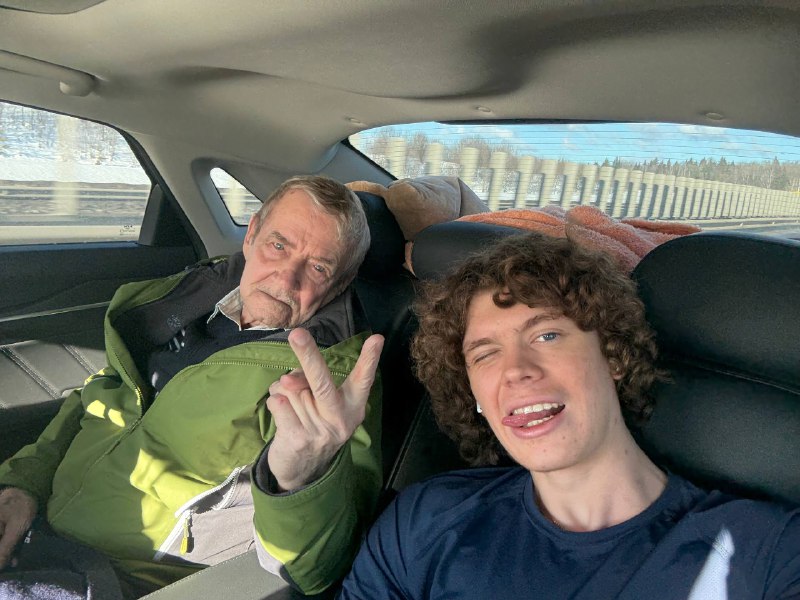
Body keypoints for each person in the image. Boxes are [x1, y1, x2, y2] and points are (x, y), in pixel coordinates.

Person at [338, 232, 800, 599]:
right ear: (473, 392)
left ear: (613, 355)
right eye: (485, 354)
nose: (516, 370)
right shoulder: (424, 520)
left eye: (547, 336)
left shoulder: (766, 553)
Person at [0, 175, 384, 598]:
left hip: (118, 579)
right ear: (252, 235)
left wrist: (302, 479)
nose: (287, 278)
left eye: (318, 267)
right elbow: (99, 398)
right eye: (279, 245)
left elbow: (317, 570)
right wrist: (22, 485)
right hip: (34, 528)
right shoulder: (187, 304)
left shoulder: (331, 387)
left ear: (340, 284)